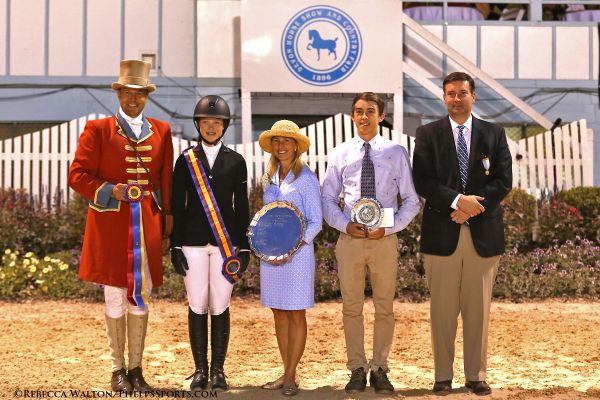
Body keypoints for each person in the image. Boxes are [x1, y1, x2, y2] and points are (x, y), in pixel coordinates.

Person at [68, 59, 173, 392]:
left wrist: (168, 224)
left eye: (140, 94)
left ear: (146, 97)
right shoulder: (98, 130)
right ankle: (117, 370)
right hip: (111, 224)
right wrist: (111, 190)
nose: (134, 99)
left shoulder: (162, 130)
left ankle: (137, 369)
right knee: (115, 295)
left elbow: (165, 180)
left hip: (146, 224)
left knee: (140, 297)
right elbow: (77, 175)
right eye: (128, 92)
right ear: (119, 93)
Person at [412, 71, 512, 396]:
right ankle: (443, 376)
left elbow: (503, 181)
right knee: (442, 311)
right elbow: (423, 180)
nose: (457, 98)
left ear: (474, 96)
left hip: (483, 236)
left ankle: (476, 376)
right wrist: (457, 201)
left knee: (478, 310)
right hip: (442, 235)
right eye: (451, 93)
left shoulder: (494, 134)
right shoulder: (427, 134)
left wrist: (471, 207)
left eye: (463, 92)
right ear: (444, 98)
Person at [321, 92, 420, 395]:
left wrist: (388, 228)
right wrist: (344, 224)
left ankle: (379, 368)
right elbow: (327, 198)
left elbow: (412, 201)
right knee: (351, 307)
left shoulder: (395, 152)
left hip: (383, 242)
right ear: (352, 116)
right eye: (359, 111)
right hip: (349, 240)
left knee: (384, 307)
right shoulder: (340, 153)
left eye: (370, 111)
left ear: (381, 116)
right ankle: (356, 368)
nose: (364, 117)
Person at [170, 95, 250, 392]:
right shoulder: (185, 160)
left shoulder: (236, 161)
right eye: (206, 122)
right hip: (191, 242)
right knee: (197, 303)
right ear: (198, 125)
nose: (212, 127)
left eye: (217, 122)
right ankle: (200, 370)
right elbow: (178, 206)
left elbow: (240, 206)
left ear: (225, 125)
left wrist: (244, 247)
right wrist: (174, 246)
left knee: (220, 304)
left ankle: (218, 370)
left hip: (225, 245)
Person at [256, 120, 323, 397]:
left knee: (295, 314)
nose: (281, 146)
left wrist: (291, 247)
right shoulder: (269, 177)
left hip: (297, 257)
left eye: (286, 141)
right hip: (272, 257)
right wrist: (267, 246)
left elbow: (316, 222)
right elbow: (267, 217)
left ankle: (292, 375)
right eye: (277, 141)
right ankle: (286, 371)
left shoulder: (306, 179)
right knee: (278, 313)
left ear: (297, 146)